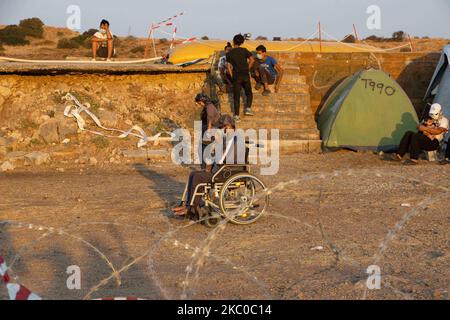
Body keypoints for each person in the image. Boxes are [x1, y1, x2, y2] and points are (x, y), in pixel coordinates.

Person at [172, 115, 241, 216]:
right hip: (220, 171)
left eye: (226, 128)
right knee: (193, 174)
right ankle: (188, 205)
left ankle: (192, 207)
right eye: (221, 129)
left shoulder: (232, 141)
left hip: (225, 173)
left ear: (232, 128)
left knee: (198, 177)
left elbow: (223, 160)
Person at [226, 34, 255, 122]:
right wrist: (247, 68)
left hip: (236, 76)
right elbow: (252, 60)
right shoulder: (244, 50)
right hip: (245, 74)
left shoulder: (229, 53)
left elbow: (228, 66)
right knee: (248, 92)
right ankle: (248, 108)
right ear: (242, 42)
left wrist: (232, 75)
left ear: (233, 41)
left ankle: (237, 116)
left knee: (236, 96)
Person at [195, 93, 221, 168]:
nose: (199, 104)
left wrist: (208, 132)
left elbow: (210, 119)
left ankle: (205, 168)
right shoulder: (208, 106)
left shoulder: (209, 107)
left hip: (210, 131)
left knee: (204, 149)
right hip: (208, 130)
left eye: (200, 103)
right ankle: (206, 167)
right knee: (204, 149)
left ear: (203, 100)